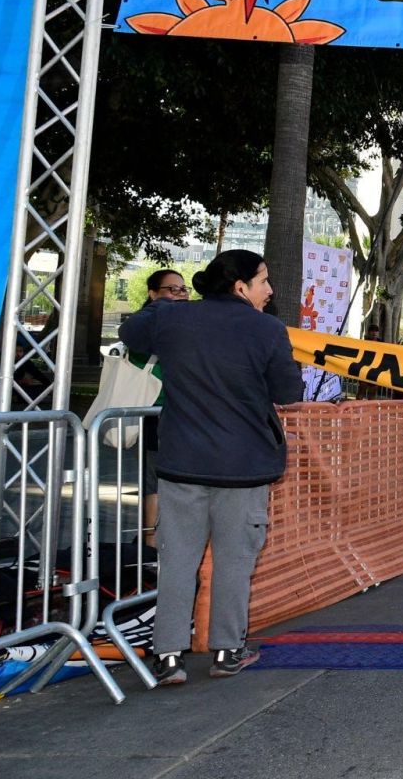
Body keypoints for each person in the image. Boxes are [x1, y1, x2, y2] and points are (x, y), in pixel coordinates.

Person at [119, 249, 302, 685]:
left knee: (177, 561)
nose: (270, 289)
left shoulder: (173, 318)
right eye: (263, 280)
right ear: (240, 286)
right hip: (244, 465)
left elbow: (131, 332)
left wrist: (163, 305)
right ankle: (227, 650)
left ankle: (167, 656)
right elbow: (289, 392)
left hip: (182, 462)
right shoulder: (267, 329)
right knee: (235, 561)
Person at [135, 269, 189, 540]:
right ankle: (151, 542)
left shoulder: (188, 323)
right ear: (153, 294)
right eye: (172, 289)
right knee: (155, 482)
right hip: (157, 412)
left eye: (183, 289)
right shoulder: (145, 325)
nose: (180, 294)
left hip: (184, 415)